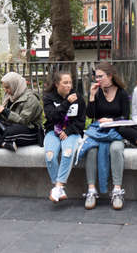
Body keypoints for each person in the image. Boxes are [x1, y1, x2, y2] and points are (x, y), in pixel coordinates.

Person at [83, 62, 129, 210]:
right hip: (99, 131)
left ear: (110, 76)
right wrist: (91, 96)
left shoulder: (121, 92)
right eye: (96, 77)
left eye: (100, 76)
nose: (98, 80)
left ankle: (117, 191)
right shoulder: (97, 92)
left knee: (116, 150)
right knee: (91, 150)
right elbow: (90, 115)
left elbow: (126, 116)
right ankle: (91, 190)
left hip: (116, 131)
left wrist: (112, 120)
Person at [43, 71, 85, 203]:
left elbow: (81, 121)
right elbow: (52, 117)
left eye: (70, 83)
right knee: (50, 155)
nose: (68, 86)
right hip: (53, 131)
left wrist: (69, 131)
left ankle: (58, 187)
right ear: (57, 84)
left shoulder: (78, 97)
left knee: (67, 153)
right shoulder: (48, 97)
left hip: (71, 132)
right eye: (65, 83)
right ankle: (59, 189)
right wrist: (66, 103)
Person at [0, 72, 43, 151]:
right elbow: (6, 118)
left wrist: (5, 111)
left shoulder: (31, 98)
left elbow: (23, 121)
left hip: (30, 129)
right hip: (12, 125)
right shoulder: (10, 96)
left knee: (8, 132)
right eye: (4, 88)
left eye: (7, 87)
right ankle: (4, 143)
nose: (6, 90)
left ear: (15, 85)